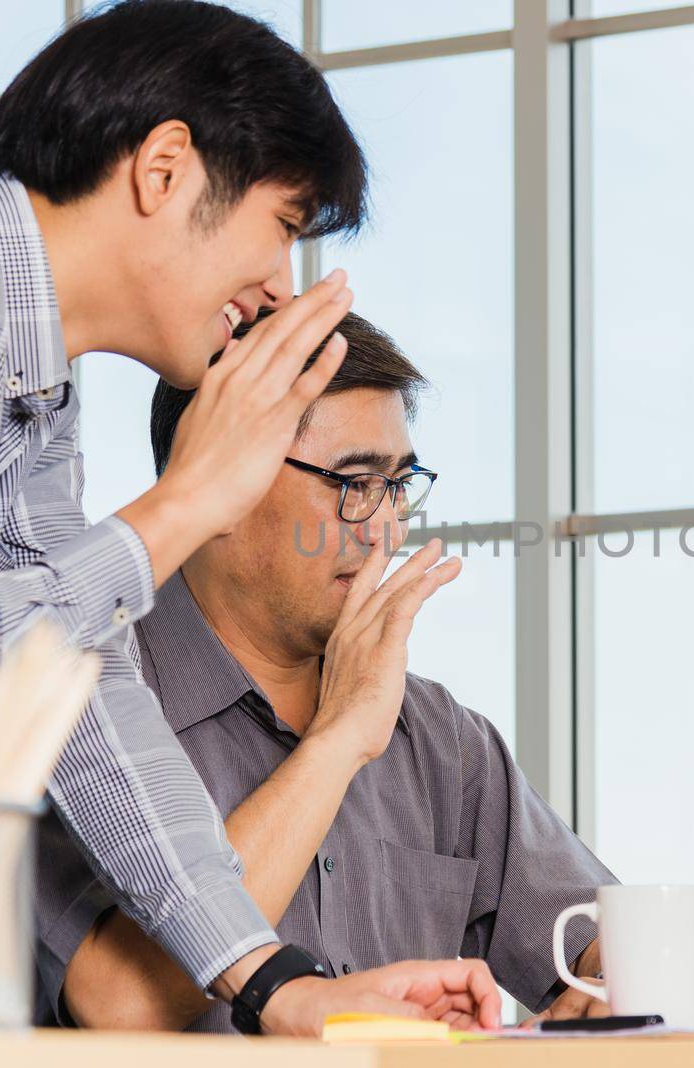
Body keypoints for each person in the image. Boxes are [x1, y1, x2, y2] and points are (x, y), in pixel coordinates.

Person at [0, 0, 497, 1034]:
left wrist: (268, 982)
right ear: (164, 168)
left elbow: (79, 687)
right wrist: (183, 505)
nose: (278, 289)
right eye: (283, 228)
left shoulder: (27, 375)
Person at [35, 310, 617, 1032]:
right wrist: (338, 742)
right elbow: (117, 1005)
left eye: (398, 485)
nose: (385, 528)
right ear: (223, 481)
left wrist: (602, 993)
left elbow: (607, 938)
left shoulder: (440, 737)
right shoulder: (77, 697)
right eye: (354, 482)